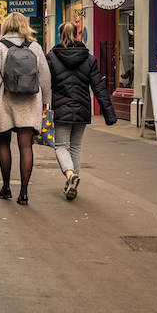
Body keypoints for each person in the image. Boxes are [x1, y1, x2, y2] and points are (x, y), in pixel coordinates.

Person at [0, 12, 52, 205]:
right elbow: (45, 76)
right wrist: (46, 101)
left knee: (4, 144)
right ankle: (24, 193)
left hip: (4, 100)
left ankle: (7, 187)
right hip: (30, 101)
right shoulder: (35, 46)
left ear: (5, 26)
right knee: (26, 146)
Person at [47, 22, 117, 200]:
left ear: (59, 35)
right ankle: (72, 181)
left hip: (60, 109)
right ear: (77, 34)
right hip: (82, 107)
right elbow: (99, 87)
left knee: (61, 146)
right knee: (76, 146)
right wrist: (109, 114)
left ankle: (70, 176)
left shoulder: (52, 57)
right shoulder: (89, 58)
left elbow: (45, 85)